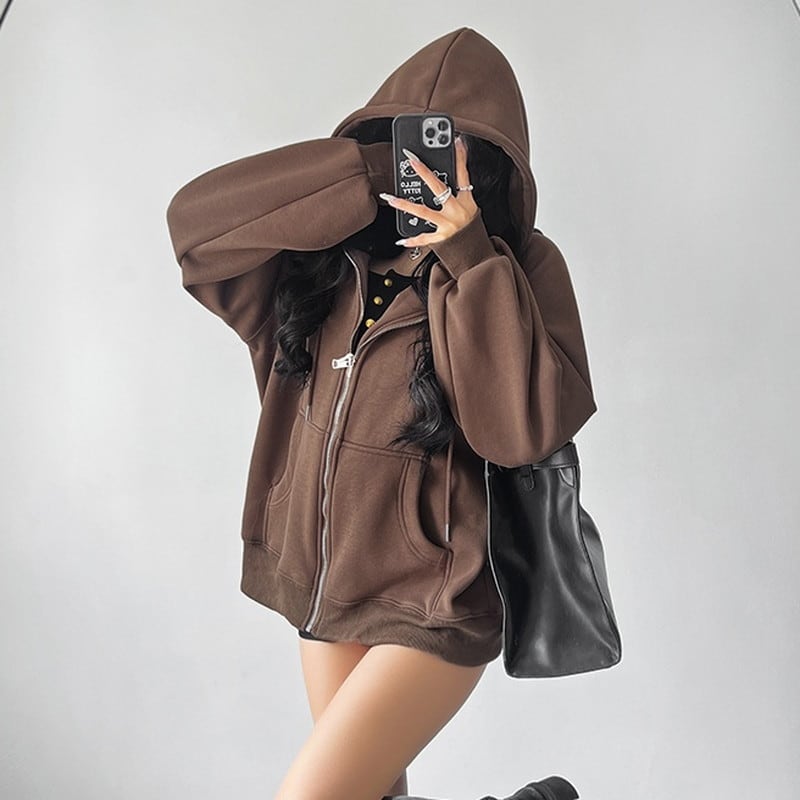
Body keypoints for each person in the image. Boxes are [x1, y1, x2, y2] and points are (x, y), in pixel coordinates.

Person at [165, 25, 595, 800]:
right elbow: (194, 228)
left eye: (461, 151)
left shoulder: (521, 268)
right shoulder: (319, 262)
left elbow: (520, 430)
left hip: (435, 600)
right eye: (417, 146)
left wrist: (469, 255)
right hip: (320, 583)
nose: (434, 166)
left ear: (491, 165)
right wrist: (366, 172)